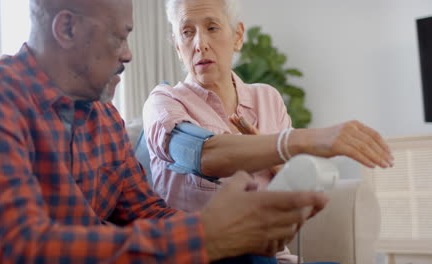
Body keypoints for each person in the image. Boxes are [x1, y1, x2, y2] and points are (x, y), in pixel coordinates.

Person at [0, 0, 331, 263]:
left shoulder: (105, 119)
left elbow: (148, 212)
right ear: (67, 28)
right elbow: (21, 246)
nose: (128, 55)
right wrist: (205, 236)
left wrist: (238, 232)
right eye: (118, 38)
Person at [142, 0, 393, 261]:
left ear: (238, 36)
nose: (199, 43)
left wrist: (267, 150)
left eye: (212, 28)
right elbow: (199, 153)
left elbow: (304, 190)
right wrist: (288, 143)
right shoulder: (164, 102)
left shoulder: (267, 98)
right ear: (177, 46)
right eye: (187, 32)